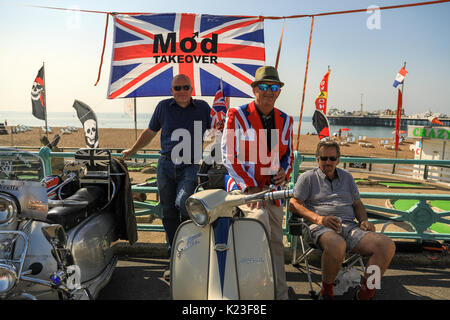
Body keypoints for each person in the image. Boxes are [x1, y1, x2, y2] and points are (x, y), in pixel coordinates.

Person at [122, 74, 211, 279]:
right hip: (166, 165)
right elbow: (150, 132)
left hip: (189, 165)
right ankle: (175, 257)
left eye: (185, 87)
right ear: (171, 91)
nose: (182, 91)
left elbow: (218, 129)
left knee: (183, 205)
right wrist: (133, 150)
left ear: (191, 89)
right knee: (168, 211)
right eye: (177, 88)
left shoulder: (203, 108)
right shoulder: (163, 107)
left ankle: (192, 251)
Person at [288, 140, 395, 300]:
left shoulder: (347, 177)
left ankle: (367, 291)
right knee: (337, 244)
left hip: (349, 226)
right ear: (317, 159)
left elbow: (357, 203)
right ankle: (327, 291)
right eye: (324, 158)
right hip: (318, 227)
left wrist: (363, 220)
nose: (328, 162)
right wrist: (319, 219)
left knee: (386, 245)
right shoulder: (307, 178)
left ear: (338, 160)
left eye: (332, 158)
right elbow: (293, 204)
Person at [221, 66, 294, 300]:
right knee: (256, 226)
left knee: (275, 242)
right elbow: (227, 154)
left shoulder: (286, 120)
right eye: (263, 87)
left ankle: (278, 293)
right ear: (254, 89)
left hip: (272, 190)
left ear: (279, 92)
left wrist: (285, 171)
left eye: (274, 87)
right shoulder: (237, 114)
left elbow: (289, 155)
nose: (269, 91)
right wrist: (250, 185)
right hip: (244, 189)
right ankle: (249, 291)